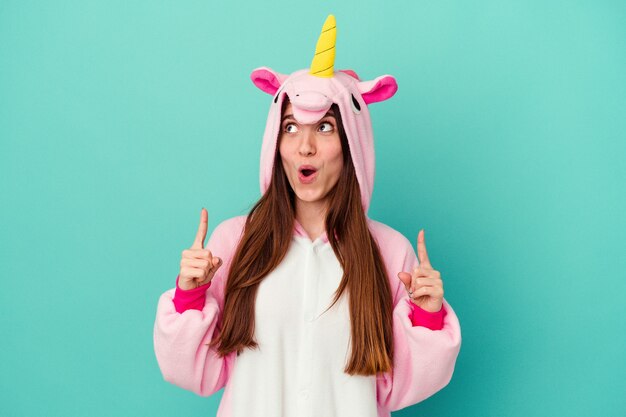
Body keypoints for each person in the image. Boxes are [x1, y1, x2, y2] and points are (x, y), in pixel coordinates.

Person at [153, 14, 461, 417]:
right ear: (275, 140)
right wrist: (190, 294)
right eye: (292, 128)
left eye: (326, 128)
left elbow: (398, 388)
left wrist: (427, 316)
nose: (305, 147)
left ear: (351, 142)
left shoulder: (389, 253)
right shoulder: (233, 244)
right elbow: (197, 373)